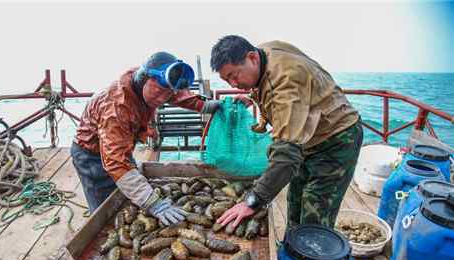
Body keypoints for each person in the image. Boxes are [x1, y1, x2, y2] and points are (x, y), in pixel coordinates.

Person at [212, 35, 363, 229]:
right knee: (295, 196)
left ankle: (312, 252)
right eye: (227, 80)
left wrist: (253, 200)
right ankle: (293, 244)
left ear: (252, 58)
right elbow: (267, 82)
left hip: (338, 139)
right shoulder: (265, 52)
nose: (232, 84)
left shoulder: (285, 84)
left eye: (234, 75)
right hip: (308, 136)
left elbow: (287, 156)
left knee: (315, 208)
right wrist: (253, 95)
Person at [71, 52, 220, 225]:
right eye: (160, 92)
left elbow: (178, 95)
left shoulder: (151, 80)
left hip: (120, 146)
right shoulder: (116, 107)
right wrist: (154, 204)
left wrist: (207, 105)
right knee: (105, 210)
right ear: (144, 79)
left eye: (168, 94)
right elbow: (115, 162)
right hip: (91, 156)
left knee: (129, 192)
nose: (163, 99)